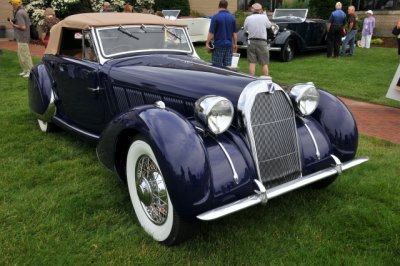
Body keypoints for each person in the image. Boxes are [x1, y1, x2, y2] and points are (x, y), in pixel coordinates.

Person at [206, 0, 237, 68]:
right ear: (226, 7)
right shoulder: (232, 17)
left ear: (218, 6)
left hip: (218, 45)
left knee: (217, 67)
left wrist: (207, 43)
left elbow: (211, 32)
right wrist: (235, 44)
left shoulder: (215, 17)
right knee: (228, 67)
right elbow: (234, 33)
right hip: (229, 45)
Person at [243, 3, 271, 76]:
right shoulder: (264, 17)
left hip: (251, 41)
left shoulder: (248, 18)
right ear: (260, 10)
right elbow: (269, 26)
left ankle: (252, 79)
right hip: (262, 41)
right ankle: (265, 80)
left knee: (252, 62)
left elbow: (245, 29)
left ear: (252, 9)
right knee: (264, 63)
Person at [9, 0, 33, 78]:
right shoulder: (22, 11)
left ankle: (30, 71)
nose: (12, 6)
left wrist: (13, 24)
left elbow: (23, 27)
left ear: (15, 4)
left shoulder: (19, 13)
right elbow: (28, 24)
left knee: (25, 55)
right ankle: (25, 70)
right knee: (21, 55)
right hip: (22, 37)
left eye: (13, 4)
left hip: (23, 37)